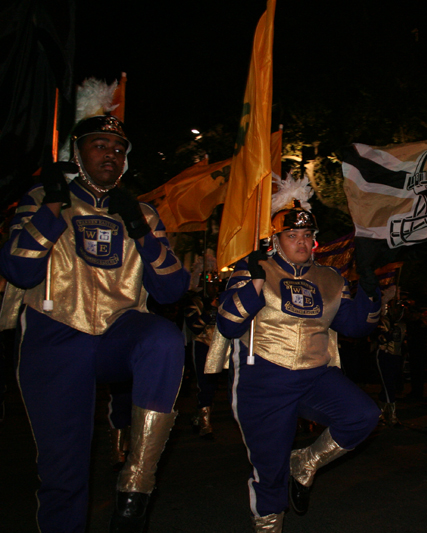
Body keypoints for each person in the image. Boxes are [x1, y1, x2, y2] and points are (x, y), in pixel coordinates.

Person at [0, 113, 189, 532]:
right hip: (56, 338)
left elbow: (172, 290)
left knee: (163, 338)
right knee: (64, 474)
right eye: (100, 145)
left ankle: (137, 482)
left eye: (119, 149)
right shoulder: (42, 197)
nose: (112, 154)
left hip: (117, 334)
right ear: (77, 153)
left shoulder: (140, 211)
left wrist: (140, 228)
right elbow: (19, 270)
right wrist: (52, 202)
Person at [216, 198, 381, 532]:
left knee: (363, 415)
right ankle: (268, 524)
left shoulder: (331, 277)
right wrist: (255, 284)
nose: (302, 241)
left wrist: (369, 285)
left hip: (316, 375)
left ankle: (306, 461)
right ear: (275, 240)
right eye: (292, 235)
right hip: (265, 378)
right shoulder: (254, 268)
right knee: (270, 470)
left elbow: (355, 327)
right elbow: (228, 326)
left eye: (307, 234)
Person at [185, 284, 221, 438]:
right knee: (204, 384)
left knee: (212, 386)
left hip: (218, 345)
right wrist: (209, 311)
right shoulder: (194, 302)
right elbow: (194, 327)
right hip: (202, 345)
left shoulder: (222, 300)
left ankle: (198, 417)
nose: (215, 288)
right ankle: (205, 425)